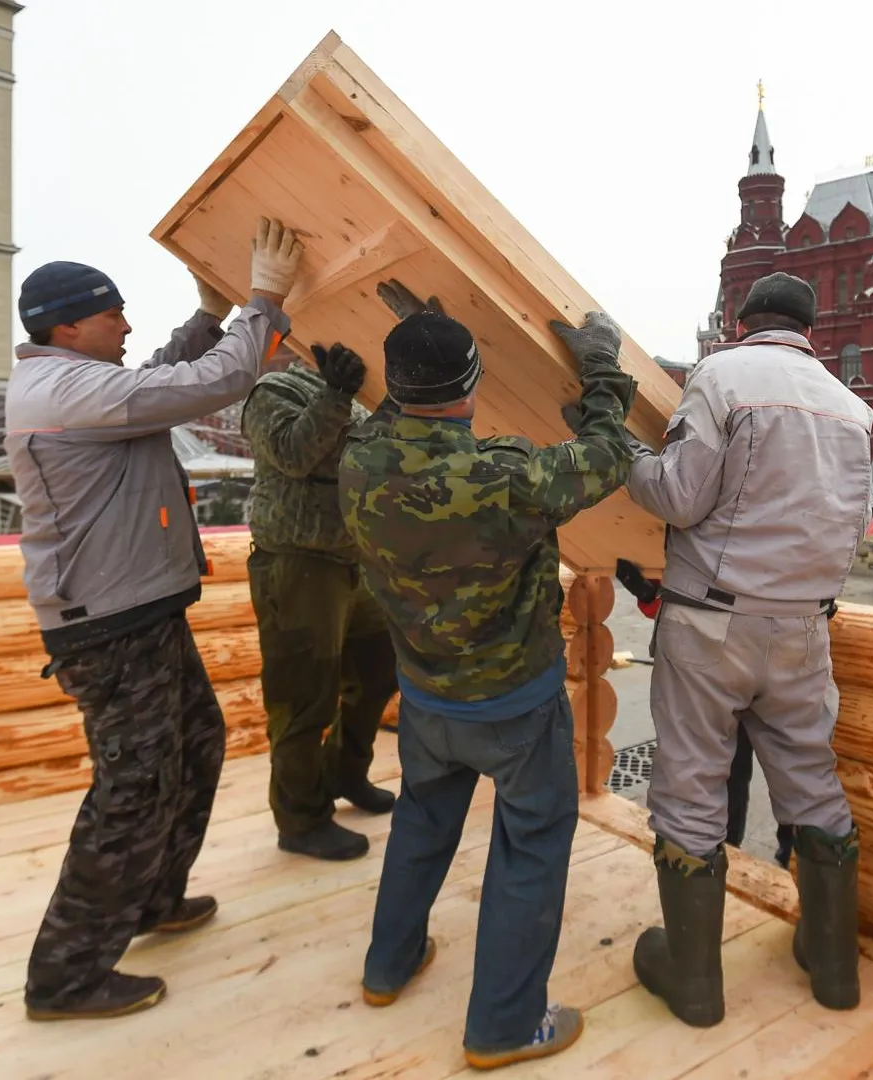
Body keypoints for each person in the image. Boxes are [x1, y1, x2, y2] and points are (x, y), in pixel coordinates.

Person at [8, 218, 304, 1020]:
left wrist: (208, 317)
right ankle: (64, 977)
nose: (128, 325)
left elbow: (155, 377)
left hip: (138, 610)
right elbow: (203, 385)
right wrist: (261, 299)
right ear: (67, 328)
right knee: (133, 787)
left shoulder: (78, 383)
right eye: (114, 315)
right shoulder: (61, 390)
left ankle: (150, 899)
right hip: (109, 625)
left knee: (196, 745)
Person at [340, 305, 636, 1069]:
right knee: (531, 847)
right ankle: (505, 1026)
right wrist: (601, 363)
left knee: (420, 824)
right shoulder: (506, 475)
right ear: (471, 386)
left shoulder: (358, 458)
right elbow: (610, 451)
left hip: (426, 699)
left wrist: (418, 336)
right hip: (513, 706)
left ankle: (388, 966)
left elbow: (390, 412)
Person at [624, 271, 872, 1027]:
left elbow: (679, 496)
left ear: (742, 321)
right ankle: (833, 969)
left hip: (711, 625)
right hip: (804, 626)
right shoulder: (852, 408)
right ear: (809, 331)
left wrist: (621, 455)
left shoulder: (721, 376)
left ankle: (694, 984)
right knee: (809, 778)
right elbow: (853, 526)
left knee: (693, 784)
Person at [242, 338, 400, 861]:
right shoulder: (273, 390)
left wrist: (394, 406)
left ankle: (344, 774)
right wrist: (334, 394)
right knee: (303, 697)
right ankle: (301, 819)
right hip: (297, 564)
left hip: (356, 562)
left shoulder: (361, 395)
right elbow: (294, 453)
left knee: (378, 676)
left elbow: (369, 455)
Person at [614, 558, 796, 868]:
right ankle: (725, 857)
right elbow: (679, 597)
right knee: (727, 769)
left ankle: (791, 864)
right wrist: (648, 592)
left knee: (789, 769)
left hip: (779, 651)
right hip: (719, 660)